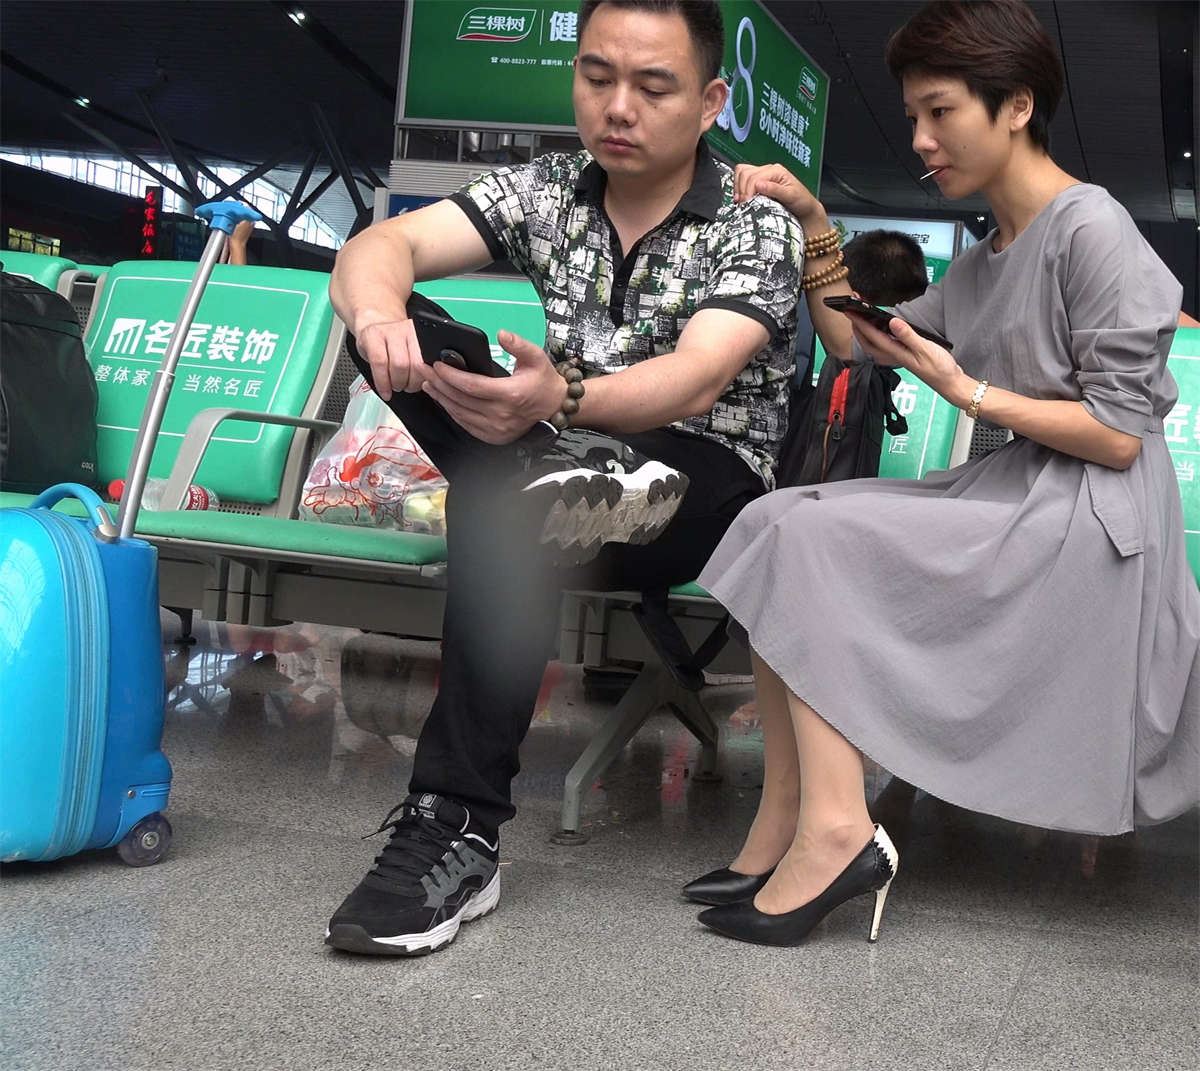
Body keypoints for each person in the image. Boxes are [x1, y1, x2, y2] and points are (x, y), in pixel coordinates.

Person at [683, 0, 1199, 947]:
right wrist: (812, 220)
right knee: (771, 520)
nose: (920, 138)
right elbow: (855, 341)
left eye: (940, 111)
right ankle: (787, 818)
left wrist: (970, 391)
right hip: (1022, 491)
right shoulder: (990, 254)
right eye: (914, 115)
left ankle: (837, 832)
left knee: (813, 536)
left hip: (1093, 521)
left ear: (1017, 106)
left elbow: (1120, 437)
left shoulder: (1093, 228)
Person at [324, 0, 803, 955]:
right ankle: (546, 472)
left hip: (702, 483)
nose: (618, 106)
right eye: (597, 76)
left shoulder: (755, 224)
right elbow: (383, 246)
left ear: (711, 101)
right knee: (409, 350)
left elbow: (698, 375)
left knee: (510, 504)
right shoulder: (546, 189)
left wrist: (565, 399)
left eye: (653, 86)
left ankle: (457, 825)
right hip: (558, 453)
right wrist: (378, 319)